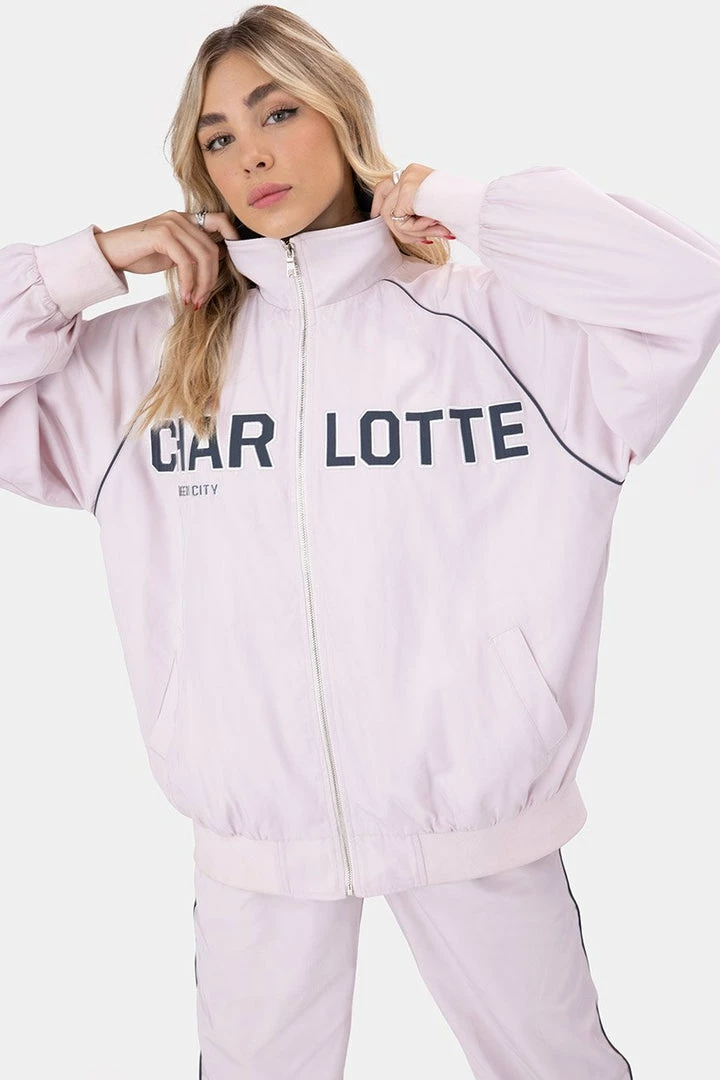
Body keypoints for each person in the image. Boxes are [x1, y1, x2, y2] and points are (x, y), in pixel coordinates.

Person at [1, 5, 718, 1078]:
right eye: (218, 136)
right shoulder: (145, 366)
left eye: (277, 112)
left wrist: (453, 201)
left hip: (479, 819)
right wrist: (86, 262)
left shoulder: (500, 332)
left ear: (341, 116)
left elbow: (685, 285)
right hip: (256, 844)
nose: (251, 154)